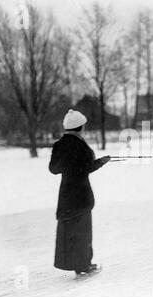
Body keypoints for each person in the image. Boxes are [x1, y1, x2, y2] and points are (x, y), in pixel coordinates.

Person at [49, 109, 111, 276]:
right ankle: (84, 265)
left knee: (68, 232)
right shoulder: (81, 145)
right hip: (81, 195)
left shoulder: (59, 145)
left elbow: (53, 169)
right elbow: (87, 167)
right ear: (80, 127)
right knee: (83, 232)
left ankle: (74, 264)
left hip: (66, 195)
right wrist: (101, 162)